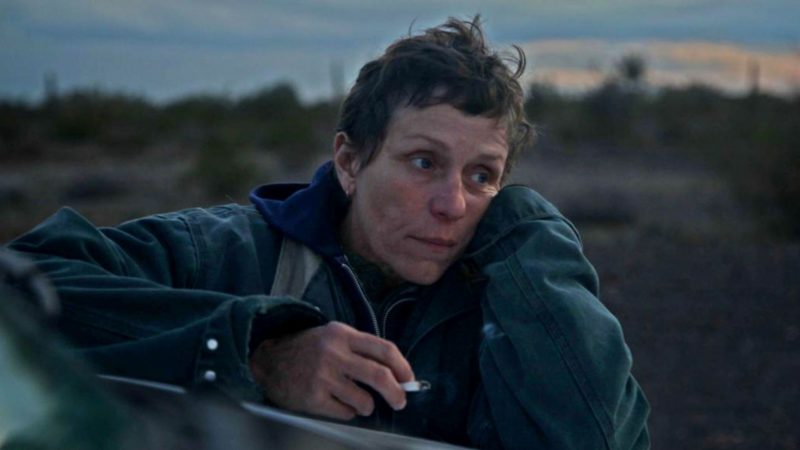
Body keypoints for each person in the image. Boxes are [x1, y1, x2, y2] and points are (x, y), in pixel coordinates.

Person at [5, 16, 649, 449]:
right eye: (423, 162)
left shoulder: (507, 307)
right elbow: (21, 291)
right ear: (350, 161)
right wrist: (257, 350)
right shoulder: (226, 252)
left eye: (483, 175)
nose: (453, 204)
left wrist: (525, 226)